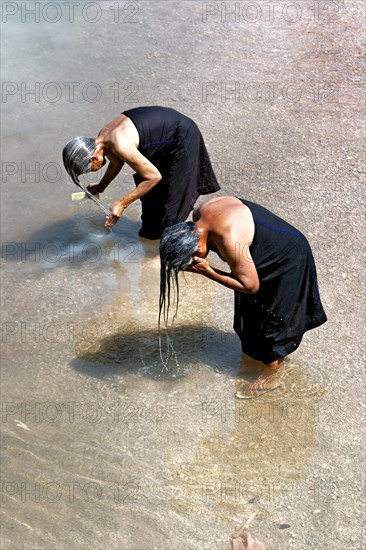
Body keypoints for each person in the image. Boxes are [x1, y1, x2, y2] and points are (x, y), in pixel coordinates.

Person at [159, 196, 327, 398]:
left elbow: (250, 286)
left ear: (196, 248)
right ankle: (249, 363)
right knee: (249, 314)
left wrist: (208, 271)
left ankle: (270, 377)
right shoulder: (200, 213)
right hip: (257, 256)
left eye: (194, 259)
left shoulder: (230, 240)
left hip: (288, 260)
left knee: (274, 321)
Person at [62, 106, 220, 239]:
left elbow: (153, 177)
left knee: (171, 200)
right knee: (151, 202)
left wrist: (122, 204)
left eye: (88, 169)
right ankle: (152, 239)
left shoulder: (119, 143)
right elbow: (117, 161)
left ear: (93, 157)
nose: (91, 171)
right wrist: (101, 186)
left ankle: (164, 252)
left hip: (181, 137)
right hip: (162, 142)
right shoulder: (103, 137)